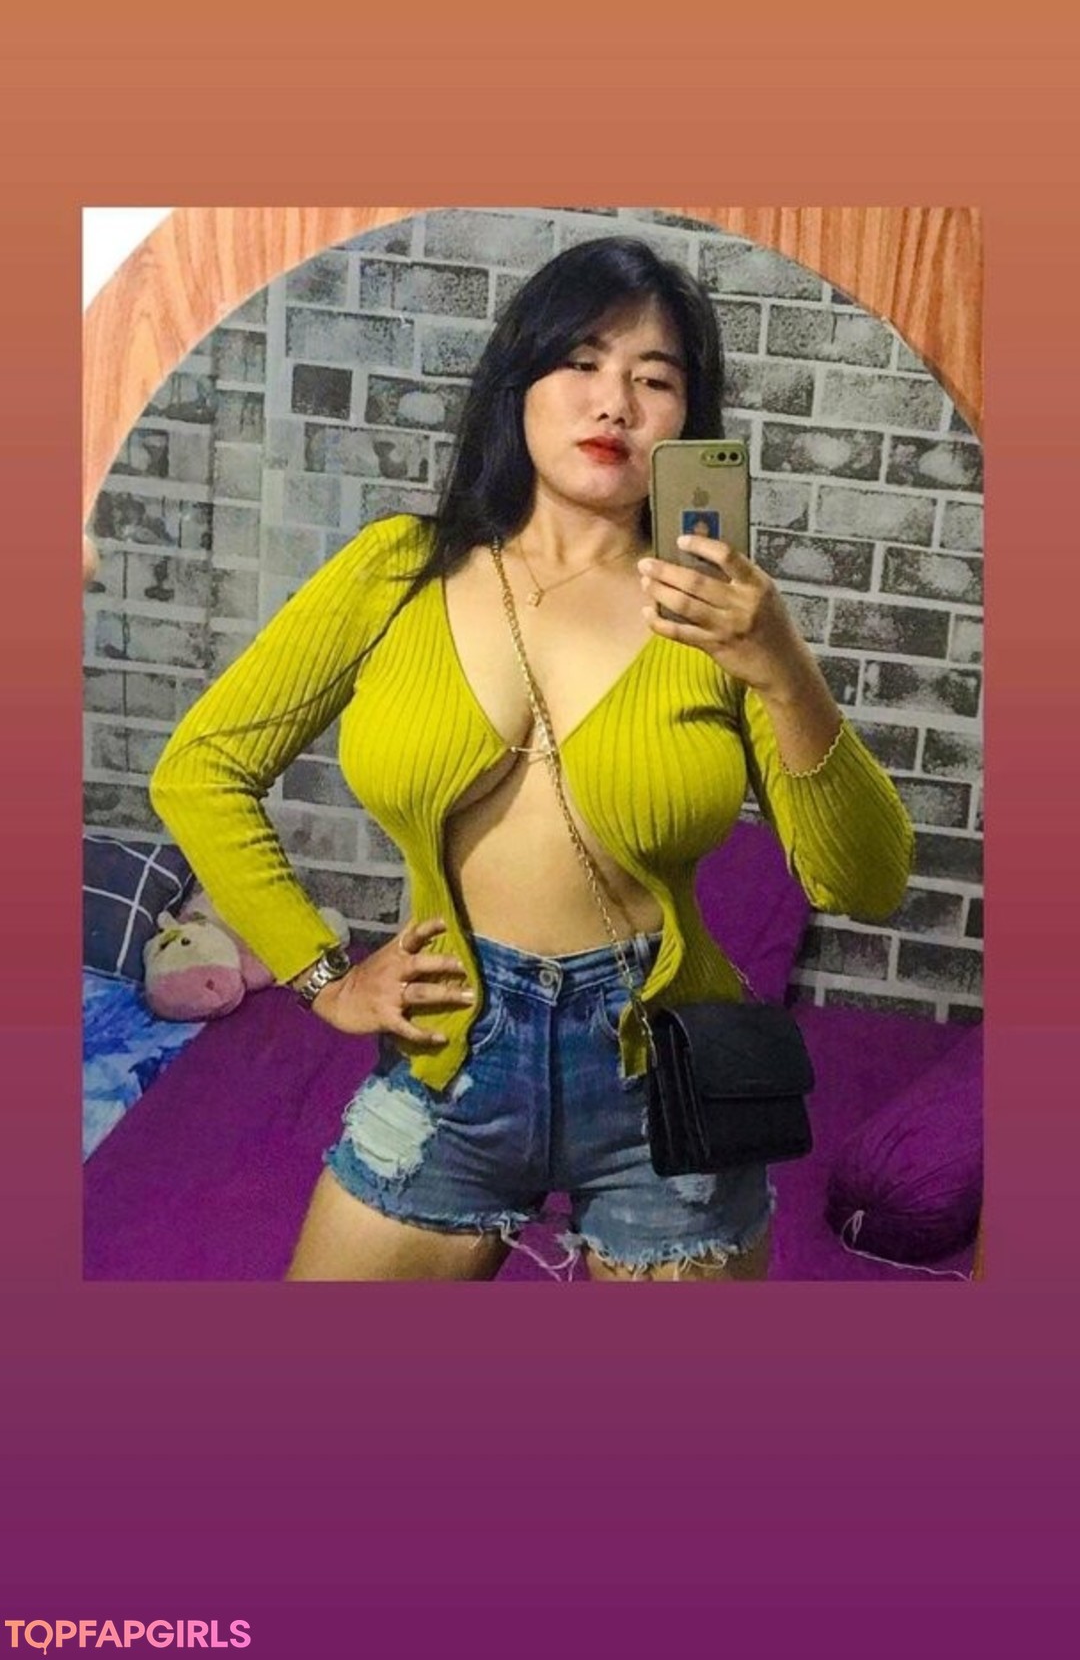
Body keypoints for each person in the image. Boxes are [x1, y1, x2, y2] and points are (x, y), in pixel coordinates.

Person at [150, 235, 913, 1283]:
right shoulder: (397, 572)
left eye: (655, 379)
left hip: (664, 1067)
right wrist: (323, 974)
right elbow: (199, 768)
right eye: (581, 361)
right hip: (452, 1051)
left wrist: (784, 668)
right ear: (520, 383)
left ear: (689, 420)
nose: (614, 403)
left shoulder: (723, 617)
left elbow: (864, 879)